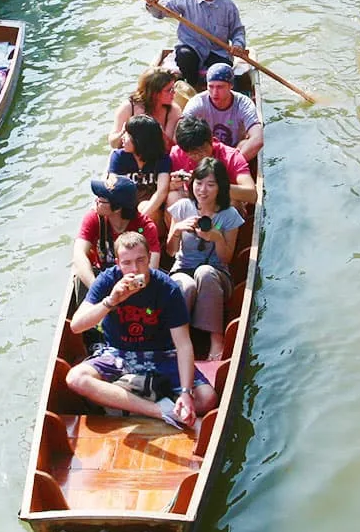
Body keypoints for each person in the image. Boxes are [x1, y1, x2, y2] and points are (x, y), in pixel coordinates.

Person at [67, 233, 217, 428]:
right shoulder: (107, 281)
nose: (135, 269)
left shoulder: (167, 288)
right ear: (118, 263)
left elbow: (183, 345)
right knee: (75, 378)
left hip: (162, 355)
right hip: (119, 354)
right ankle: (159, 410)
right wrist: (111, 301)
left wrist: (186, 393)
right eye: (127, 263)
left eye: (140, 260)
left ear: (149, 258)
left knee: (207, 398)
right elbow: (76, 326)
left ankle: (124, 398)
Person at [165, 158, 246, 360]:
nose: (203, 190)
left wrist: (217, 237)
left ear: (220, 187)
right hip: (183, 269)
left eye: (210, 185)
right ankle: (175, 341)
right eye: (199, 183)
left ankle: (216, 339)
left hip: (216, 275)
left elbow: (226, 258)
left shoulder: (229, 215)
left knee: (205, 273)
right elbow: (170, 252)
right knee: (185, 285)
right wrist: (176, 230)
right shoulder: (183, 207)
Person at [145, 0, 247, 91]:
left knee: (223, 72)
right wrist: (152, 3)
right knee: (184, 55)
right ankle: (192, 87)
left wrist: (238, 45)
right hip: (192, 48)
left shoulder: (228, 6)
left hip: (217, 51)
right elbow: (163, 11)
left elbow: (237, 31)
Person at [73, 175, 162, 292]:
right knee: (81, 276)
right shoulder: (94, 218)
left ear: (117, 208)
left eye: (101, 200)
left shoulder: (145, 227)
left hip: (134, 281)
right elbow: (78, 254)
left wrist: (125, 292)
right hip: (104, 278)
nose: (96, 201)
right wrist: (96, 289)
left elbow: (152, 267)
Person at [181, 63, 265, 160]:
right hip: (205, 152)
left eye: (220, 87)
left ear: (231, 86)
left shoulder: (243, 104)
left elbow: (258, 139)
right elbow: (179, 132)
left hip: (234, 151)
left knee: (244, 143)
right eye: (211, 87)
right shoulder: (198, 102)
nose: (214, 92)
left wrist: (233, 164)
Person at [168, 116, 256, 203]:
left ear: (211, 140)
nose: (198, 156)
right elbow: (161, 189)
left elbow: (251, 194)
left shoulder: (231, 157)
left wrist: (214, 187)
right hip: (192, 206)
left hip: (222, 207)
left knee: (232, 203)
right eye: (192, 153)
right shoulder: (176, 154)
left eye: (202, 150)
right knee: (173, 197)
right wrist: (173, 185)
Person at [109, 115, 174, 220]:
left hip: (152, 213)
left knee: (144, 206)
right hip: (127, 211)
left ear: (139, 140)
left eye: (127, 134)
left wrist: (140, 218)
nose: (123, 137)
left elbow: (162, 191)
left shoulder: (161, 159)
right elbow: (113, 185)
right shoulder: (119, 156)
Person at [114, 67, 183, 149]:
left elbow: (170, 148)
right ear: (154, 93)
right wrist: (122, 133)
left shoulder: (173, 110)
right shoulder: (128, 108)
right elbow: (113, 144)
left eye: (173, 88)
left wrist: (160, 134)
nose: (174, 92)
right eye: (169, 90)